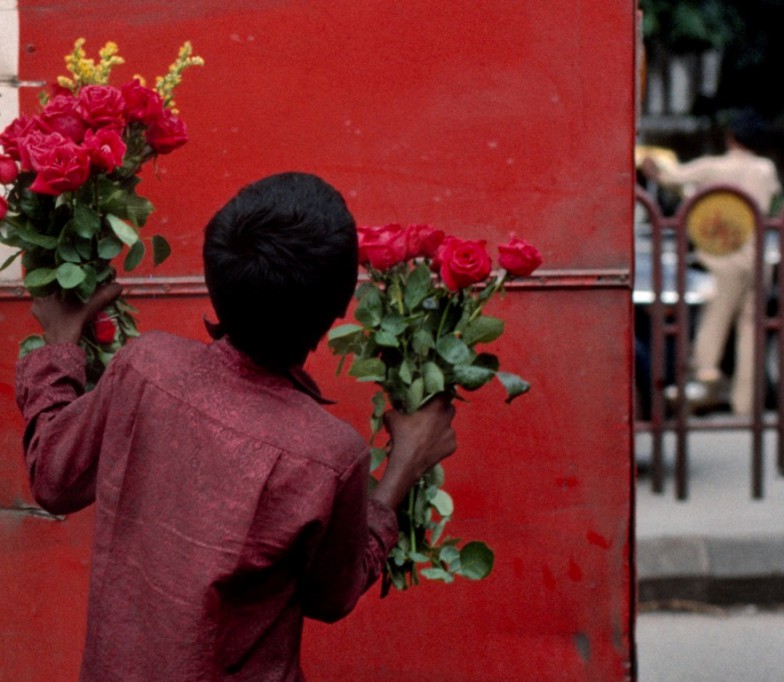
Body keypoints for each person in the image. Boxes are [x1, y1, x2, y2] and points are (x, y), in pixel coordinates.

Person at [14, 172, 457, 681]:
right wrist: (405, 463)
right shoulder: (329, 454)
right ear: (339, 309)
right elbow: (331, 597)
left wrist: (60, 342)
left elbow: (53, 477)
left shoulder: (145, 367)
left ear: (215, 277)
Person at [641, 109, 782, 415]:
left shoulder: (712, 167)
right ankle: (747, 404)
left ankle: (703, 379)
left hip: (723, 256)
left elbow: (671, 177)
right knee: (751, 329)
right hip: (756, 256)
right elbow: (770, 202)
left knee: (715, 320)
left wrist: (654, 168)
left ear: (730, 138)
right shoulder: (765, 168)